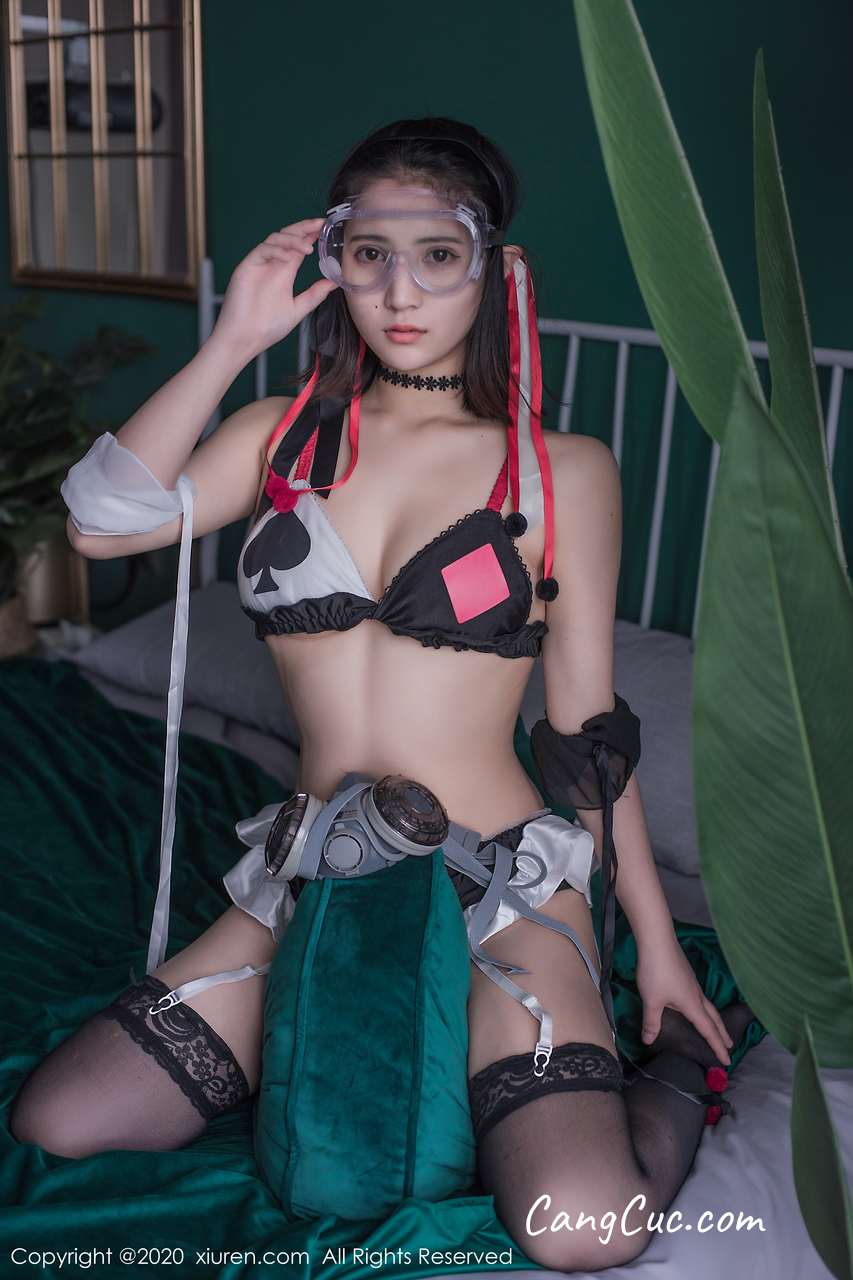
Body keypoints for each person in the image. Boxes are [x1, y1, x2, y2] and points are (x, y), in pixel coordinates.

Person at [11, 118, 753, 1272]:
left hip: (497, 885)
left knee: (583, 1226)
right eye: (369, 255)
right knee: (59, 1118)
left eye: (437, 256)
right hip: (314, 876)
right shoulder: (278, 439)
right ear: (333, 261)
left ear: (493, 266)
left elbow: (584, 736)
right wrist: (235, 336)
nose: (400, 291)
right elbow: (102, 527)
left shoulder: (561, 469)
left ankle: (675, 1068)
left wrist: (654, 947)